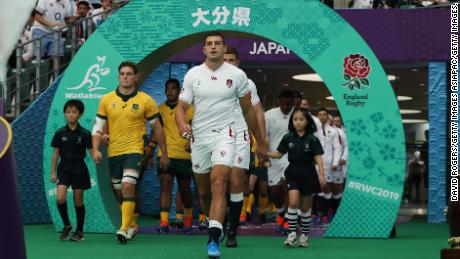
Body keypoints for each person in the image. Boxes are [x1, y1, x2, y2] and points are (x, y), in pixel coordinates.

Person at [176, 31, 266, 258]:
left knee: (221, 181)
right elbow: (181, 107)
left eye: (218, 43)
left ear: (224, 47)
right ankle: (214, 221)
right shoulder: (193, 74)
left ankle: (215, 237)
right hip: (199, 138)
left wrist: (261, 142)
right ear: (204, 50)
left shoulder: (237, 76)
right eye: (209, 44)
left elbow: (250, 110)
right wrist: (181, 124)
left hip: (228, 135)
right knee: (204, 191)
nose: (214, 47)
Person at [91, 61, 169, 244]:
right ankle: (132, 224)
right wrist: (95, 149)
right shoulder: (106, 100)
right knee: (120, 193)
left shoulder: (146, 100)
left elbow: (158, 129)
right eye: (122, 74)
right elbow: (97, 127)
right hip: (114, 153)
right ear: (118, 76)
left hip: (135, 150)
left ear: (136, 76)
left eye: (129, 74)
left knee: (127, 186)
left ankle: (124, 228)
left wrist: (164, 153)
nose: (125, 77)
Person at [222, 46, 266, 247]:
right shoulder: (208, 81)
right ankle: (220, 224)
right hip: (217, 139)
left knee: (236, 183)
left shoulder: (248, 84)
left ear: (237, 62)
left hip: (241, 139)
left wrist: (261, 142)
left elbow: (257, 113)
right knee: (218, 184)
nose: (228, 63)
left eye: (232, 60)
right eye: (225, 60)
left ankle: (232, 231)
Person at [267, 107, 325, 247]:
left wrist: (322, 174)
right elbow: (279, 154)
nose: (298, 122)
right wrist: (265, 153)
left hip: (309, 174)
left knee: (305, 209)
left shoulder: (312, 139)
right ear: (292, 121)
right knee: (293, 202)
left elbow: (318, 158)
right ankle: (292, 234)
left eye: (301, 120)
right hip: (293, 172)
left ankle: (304, 236)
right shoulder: (288, 137)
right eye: (295, 119)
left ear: (307, 121)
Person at [50, 99, 92, 242]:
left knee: (78, 201)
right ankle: (67, 225)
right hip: (64, 169)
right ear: (64, 114)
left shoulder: (85, 133)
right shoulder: (59, 132)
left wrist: (97, 155)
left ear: (80, 114)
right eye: (68, 112)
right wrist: (53, 172)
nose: (71, 115)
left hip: (79, 169)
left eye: (74, 112)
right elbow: (56, 153)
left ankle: (79, 231)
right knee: (60, 198)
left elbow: (92, 150)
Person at [157, 78, 194, 234]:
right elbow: (157, 131)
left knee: (185, 188)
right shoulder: (159, 109)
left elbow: (196, 126)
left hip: (185, 155)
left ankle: (188, 220)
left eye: (173, 88)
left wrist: (192, 142)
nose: (170, 91)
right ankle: (164, 222)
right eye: (168, 88)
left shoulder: (189, 108)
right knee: (166, 185)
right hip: (166, 154)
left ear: (179, 91)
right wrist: (151, 148)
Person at [265, 89, 294, 232]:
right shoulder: (269, 115)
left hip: (292, 158)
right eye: (284, 104)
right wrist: (264, 155)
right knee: (275, 191)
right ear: (279, 102)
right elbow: (263, 136)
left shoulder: (298, 115)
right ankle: (281, 213)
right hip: (273, 159)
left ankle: (288, 219)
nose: (286, 107)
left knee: (287, 186)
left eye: (289, 104)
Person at [316, 108, 340, 225]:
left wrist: (335, 162)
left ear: (327, 116)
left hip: (329, 166)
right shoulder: (313, 131)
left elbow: (337, 147)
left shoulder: (333, 131)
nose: (322, 116)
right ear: (317, 116)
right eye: (319, 114)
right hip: (315, 165)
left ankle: (326, 214)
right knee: (317, 191)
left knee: (328, 191)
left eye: (324, 114)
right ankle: (319, 215)